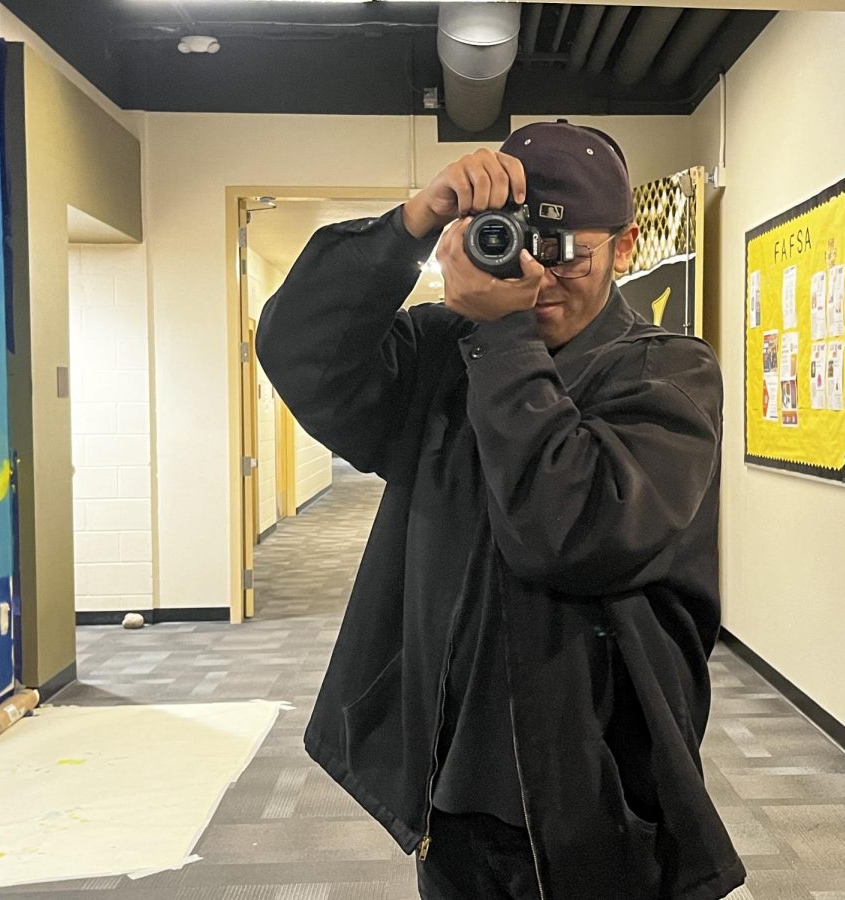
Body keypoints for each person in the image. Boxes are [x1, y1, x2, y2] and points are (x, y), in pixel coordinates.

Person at [255, 120, 745, 900]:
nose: (537, 277)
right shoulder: (441, 353)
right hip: (448, 785)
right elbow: (302, 352)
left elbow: (569, 531)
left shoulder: (669, 374)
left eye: (567, 254)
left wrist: (500, 335)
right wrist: (410, 221)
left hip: (594, 794)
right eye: (510, 242)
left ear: (624, 248)